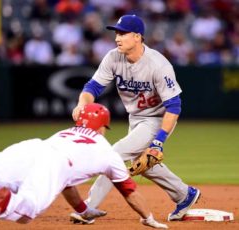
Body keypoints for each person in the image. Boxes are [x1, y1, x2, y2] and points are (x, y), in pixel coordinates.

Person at [0, 103, 168, 229]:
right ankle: (9, 200)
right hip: (56, 163)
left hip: (33, 147)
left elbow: (66, 184)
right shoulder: (108, 152)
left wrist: (84, 211)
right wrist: (148, 218)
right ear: (102, 127)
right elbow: (130, 191)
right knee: (27, 210)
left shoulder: (65, 132)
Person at [71, 15, 201, 222]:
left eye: (122, 33)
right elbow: (92, 87)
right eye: (116, 33)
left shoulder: (158, 64)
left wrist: (159, 141)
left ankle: (88, 207)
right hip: (136, 118)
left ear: (138, 37)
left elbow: (174, 106)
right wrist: (81, 104)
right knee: (144, 164)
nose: (117, 38)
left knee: (114, 155)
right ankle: (184, 194)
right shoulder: (113, 57)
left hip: (158, 118)